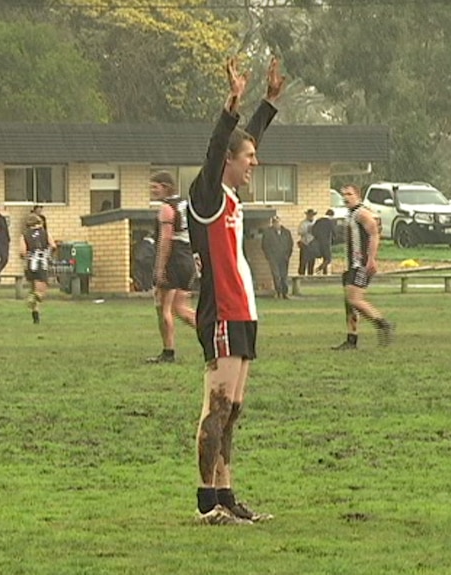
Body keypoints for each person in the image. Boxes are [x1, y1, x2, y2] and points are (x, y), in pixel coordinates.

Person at [186, 55, 285, 525]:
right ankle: (207, 505)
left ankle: (227, 495)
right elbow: (216, 151)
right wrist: (232, 105)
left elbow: (248, 141)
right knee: (217, 407)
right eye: (247, 159)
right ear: (228, 160)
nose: (254, 164)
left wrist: (267, 104)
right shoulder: (206, 196)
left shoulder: (231, 195)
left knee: (234, 412)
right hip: (222, 312)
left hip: (244, 313)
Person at [332, 184, 394, 351]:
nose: (345, 197)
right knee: (349, 304)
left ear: (357, 196)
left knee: (355, 300)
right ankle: (351, 339)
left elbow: (374, 234)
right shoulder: (351, 214)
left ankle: (383, 323)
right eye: (343, 194)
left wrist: (371, 259)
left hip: (360, 264)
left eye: (349, 194)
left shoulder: (362, 213)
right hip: (351, 264)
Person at [146, 171, 197, 364]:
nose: (152, 191)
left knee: (162, 306)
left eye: (155, 187)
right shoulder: (184, 205)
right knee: (181, 308)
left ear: (166, 187)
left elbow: (166, 239)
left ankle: (168, 352)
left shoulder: (166, 209)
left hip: (174, 258)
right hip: (186, 257)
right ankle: (214, 337)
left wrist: (160, 268)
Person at [22, 213, 55, 324]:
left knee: (34, 288)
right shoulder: (45, 234)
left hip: (31, 264)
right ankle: (33, 297)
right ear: (39, 223)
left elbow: (22, 251)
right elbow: (53, 246)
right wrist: (48, 253)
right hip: (42, 263)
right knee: (42, 292)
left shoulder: (24, 236)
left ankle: (36, 318)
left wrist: (25, 257)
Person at [261, 215, 294, 299]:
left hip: (284, 258)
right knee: (276, 275)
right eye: (274, 222)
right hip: (273, 258)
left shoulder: (286, 232)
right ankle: (278, 292)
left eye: (277, 222)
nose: (276, 224)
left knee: (284, 275)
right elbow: (264, 245)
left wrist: (287, 255)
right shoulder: (268, 232)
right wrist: (269, 256)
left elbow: (290, 245)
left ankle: (285, 293)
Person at [311, 209, 336, 275]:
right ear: (332, 215)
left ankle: (324, 272)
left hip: (318, 243)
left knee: (322, 258)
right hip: (326, 243)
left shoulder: (318, 221)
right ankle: (320, 269)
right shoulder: (330, 222)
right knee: (328, 259)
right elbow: (334, 233)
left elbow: (313, 231)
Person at [297, 209, 317, 276]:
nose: (311, 216)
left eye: (312, 215)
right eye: (309, 215)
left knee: (311, 263)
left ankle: (310, 278)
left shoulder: (316, 223)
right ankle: (301, 277)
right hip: (305, 245)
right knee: (303, 262)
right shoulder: (303, 223)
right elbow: (299, 232)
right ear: (307, 215)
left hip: (313, 245)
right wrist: (307, 230)